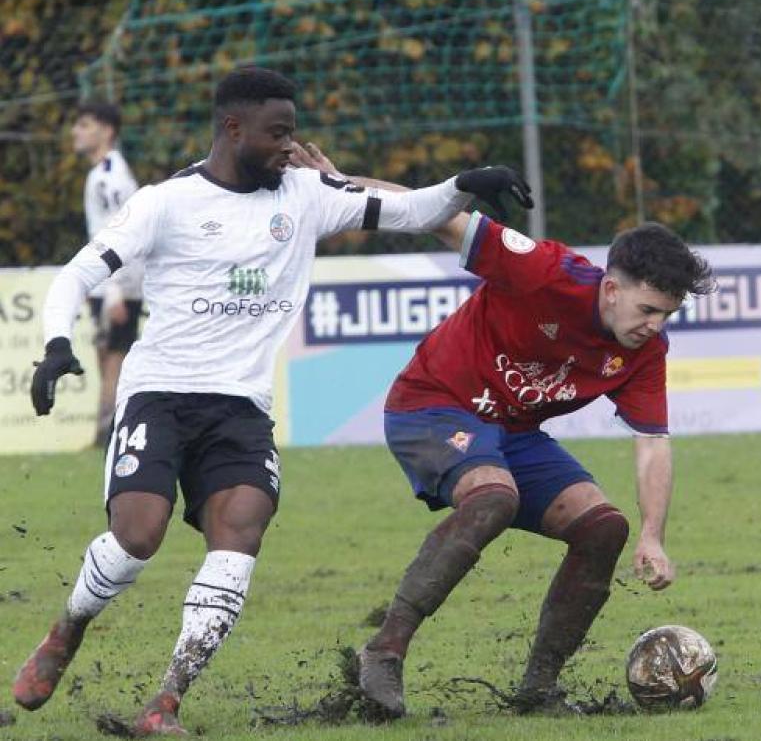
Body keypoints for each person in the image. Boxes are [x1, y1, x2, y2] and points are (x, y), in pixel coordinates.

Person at [14, 66, 531, 736]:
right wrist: (58, 345)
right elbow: (80, 272)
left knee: (240, 537)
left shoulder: (307, 195)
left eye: (293, 131)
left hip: (241, 412)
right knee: (137, 538)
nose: (292, 146)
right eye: (277, 133)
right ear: (233, 129)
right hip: (160, 397)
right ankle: (69, 628)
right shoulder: (164, 202)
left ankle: (165, 702)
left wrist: (466, 183)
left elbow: (408, 211)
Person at [295, 144, 715, 717]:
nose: (654, 326)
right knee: (494, 496)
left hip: (510, 433)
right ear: (612, 289)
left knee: (603, 528)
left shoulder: (646, 351)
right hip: (432, 405)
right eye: (647, 310)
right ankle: (384, 651)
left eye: (666, 314)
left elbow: (652, 445)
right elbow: (434, 214)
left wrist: (652, 535)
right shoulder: (542, 270)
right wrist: (340, 184)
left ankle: (538, 689)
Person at [72, 102, 143, 447]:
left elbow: (119, 234)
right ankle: (111, 432)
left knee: (115, 361)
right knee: (107, 359)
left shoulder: (111, 178)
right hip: (107, 285)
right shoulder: (102, 173)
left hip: (118, 286)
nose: (77, 131)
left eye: (85, 125)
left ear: (107, 131)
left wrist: (114, 290)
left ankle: (109, 435)